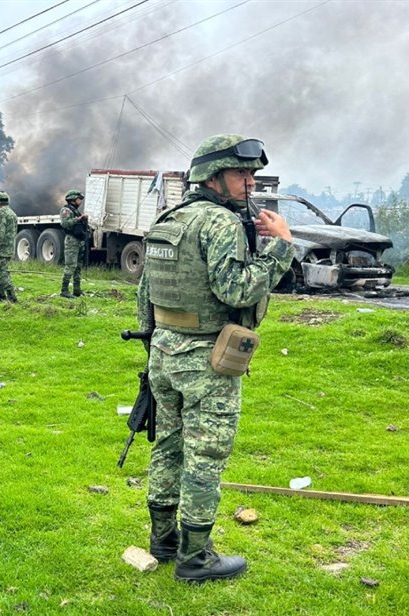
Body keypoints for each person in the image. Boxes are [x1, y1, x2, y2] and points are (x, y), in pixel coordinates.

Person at [136, 134, 294, 582]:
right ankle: (195, 557)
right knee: (206, 455)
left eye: (252, 175)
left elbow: (144, 293)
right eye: (241, 174)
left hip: (165, 349)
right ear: (213, 177)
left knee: (167, 447)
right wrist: (283, 245)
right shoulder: (220, 224)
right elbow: (238, 289)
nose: (249, 183)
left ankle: (164, 540)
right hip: (209, 356)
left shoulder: (171, 219)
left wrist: (156, 346)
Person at [0, 191, 19, 302]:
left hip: (2, 248)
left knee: (0, 271)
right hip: (9, 247)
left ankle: (11, 296)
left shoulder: (1, 213)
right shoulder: (12, 213)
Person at [59, 189, 89, 298]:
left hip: (79, 240)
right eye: (78, 199)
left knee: (78, 266)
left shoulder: (75, 211)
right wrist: (78, 219)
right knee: (70, 266)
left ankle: (77, 289)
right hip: (72, 240)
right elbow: (65, 224)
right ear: (72, 200)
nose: (80, 201)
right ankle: (64, 290)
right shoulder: (66, 210)